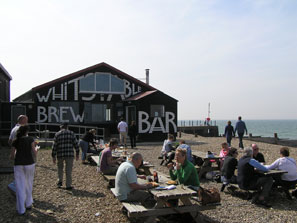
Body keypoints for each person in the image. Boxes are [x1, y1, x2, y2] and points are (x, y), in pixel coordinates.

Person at [10, 125, 38, 215]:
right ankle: (29, 203)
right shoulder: (30, 139)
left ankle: (21, 209)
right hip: (29, 163)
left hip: (18, 164)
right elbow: (34, 152)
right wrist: (37, 148)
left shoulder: (15, 141)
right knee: (29, 184)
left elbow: (12, 156)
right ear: (27, 131)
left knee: (20, 186)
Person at [52, 123, 79, 190]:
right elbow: (76, 144)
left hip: (60, 154)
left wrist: (53, 156)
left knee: (60, 169)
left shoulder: (57, 134)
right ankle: (68, 185)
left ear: (61, 127)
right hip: (69, 154)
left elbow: (54, 146)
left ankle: (60, 182)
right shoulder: (71, 133)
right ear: (67, 127)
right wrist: (77, 153)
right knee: (68, 170)